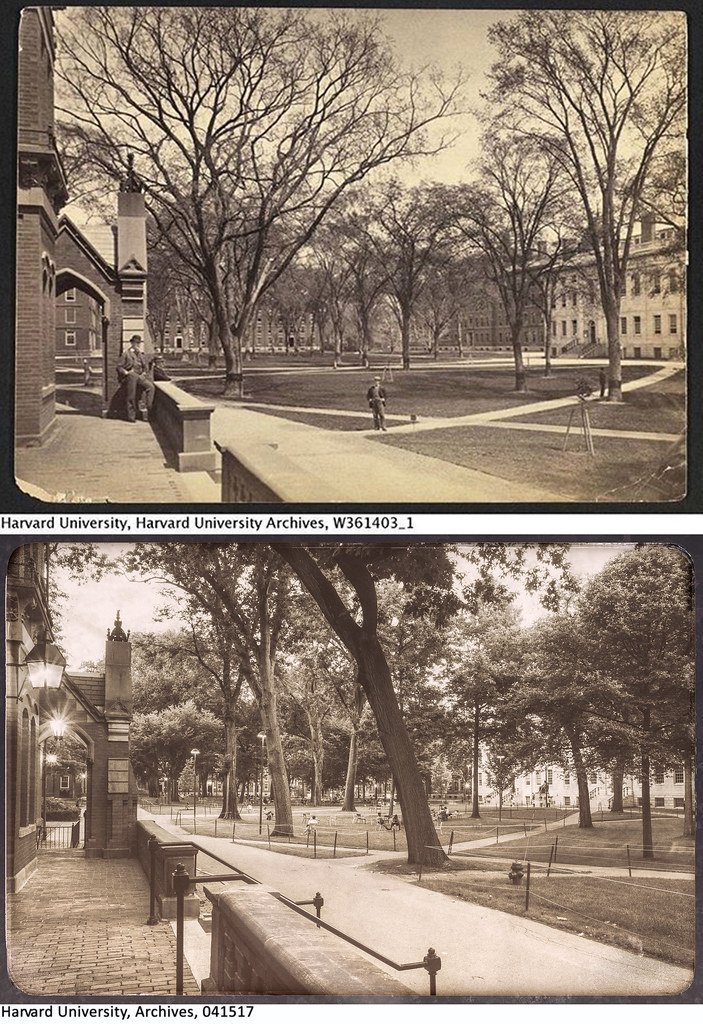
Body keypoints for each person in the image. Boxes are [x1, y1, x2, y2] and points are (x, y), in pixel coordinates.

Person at [116, 335, 155, 422]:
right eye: (135, 343)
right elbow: (119, 367)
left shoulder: (141, 354)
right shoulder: (126, 354)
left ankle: (149, 410)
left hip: (139, 375)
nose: (137, 344)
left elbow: (146, 367)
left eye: (138, 343)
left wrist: (144, 373)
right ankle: (131, 416)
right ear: (132, 343)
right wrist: (127, 372)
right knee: (131, 395)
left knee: (150, 387)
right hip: (130, 376)